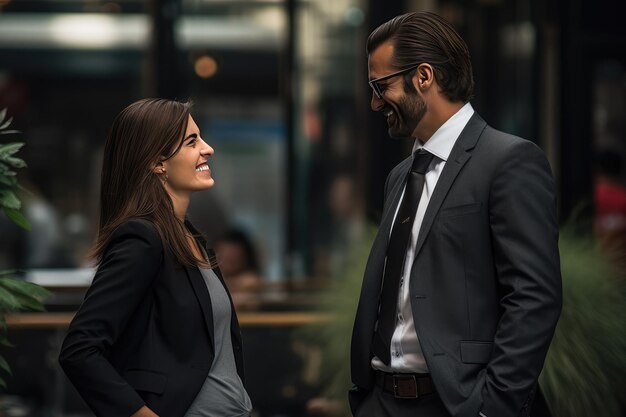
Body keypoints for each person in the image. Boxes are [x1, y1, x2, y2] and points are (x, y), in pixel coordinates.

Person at [350, 12, 562, 417]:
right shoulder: (400, 176)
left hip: (458, 405)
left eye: (381, 86)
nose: (376, 102)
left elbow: (535, 297)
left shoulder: (509, 161)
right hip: (382, 400)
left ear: (424, 76)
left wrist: (492, 407)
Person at [59, 98, 252, 417]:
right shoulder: (142, 239)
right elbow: (79, 349)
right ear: (157, 162)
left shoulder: (193, 238)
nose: (208, 149)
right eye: (192, 141)